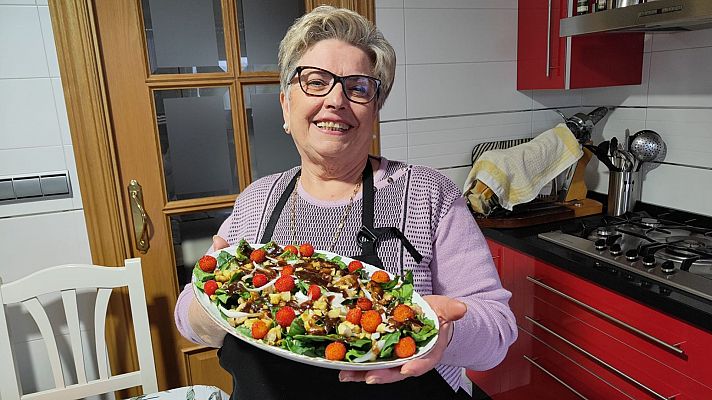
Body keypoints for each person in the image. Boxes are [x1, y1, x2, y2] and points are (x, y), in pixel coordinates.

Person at [174, 6, 517, 400]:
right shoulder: (257, 201)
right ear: (286, 106)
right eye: (315, 81)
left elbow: (498, 331)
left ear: (375, 111)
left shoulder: (429, 194)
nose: (336, 100)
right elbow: (188, 319)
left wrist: (446, 332)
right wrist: (214, 295)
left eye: (357, 87)